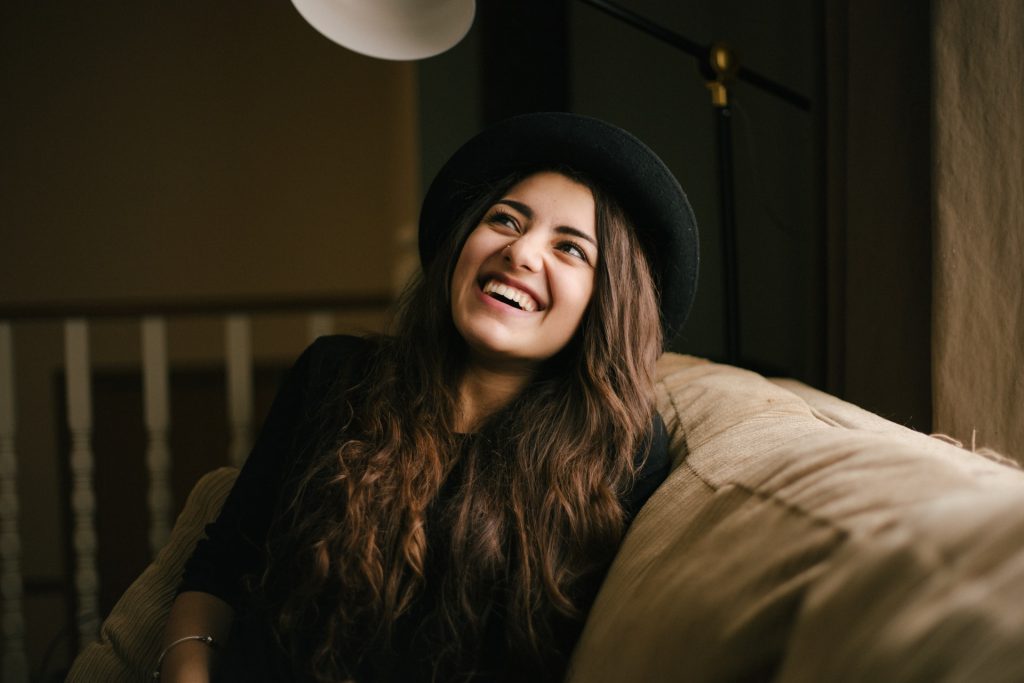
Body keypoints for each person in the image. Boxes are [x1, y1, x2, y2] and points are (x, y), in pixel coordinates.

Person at [157, 112, 699, 683]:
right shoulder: (334, 376)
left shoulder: (624, 449)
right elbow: (224, 565)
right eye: (505, 219)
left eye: (571, 249)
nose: (521, 252)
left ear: (606, 303)